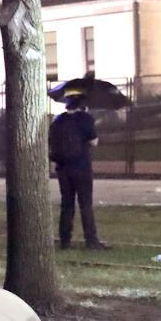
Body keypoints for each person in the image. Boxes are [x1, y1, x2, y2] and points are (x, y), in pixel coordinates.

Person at [48, 95, 106, 249]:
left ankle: (65, 239)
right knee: (85, 204)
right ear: (82, 104)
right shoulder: (85, 118)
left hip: (63, 168)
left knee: (67, 204)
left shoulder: (58, 121)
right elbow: (94, 141)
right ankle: (91, 239)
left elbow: (51, 142)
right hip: (81, 167)